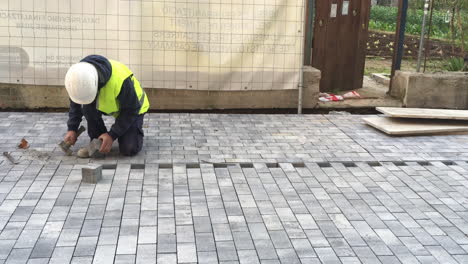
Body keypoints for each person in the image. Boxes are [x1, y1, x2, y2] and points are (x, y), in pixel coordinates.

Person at [63, 55, 149, 157]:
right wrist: (72, 128)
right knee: (87, 108)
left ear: (96, 84)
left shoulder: (120, 80)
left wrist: (112, 135)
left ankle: (126, 134)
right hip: (110, 104)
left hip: (134, 107)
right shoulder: (77, 79)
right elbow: (76, 104)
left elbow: (131, 110)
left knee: (129, 149)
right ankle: (98, 140)